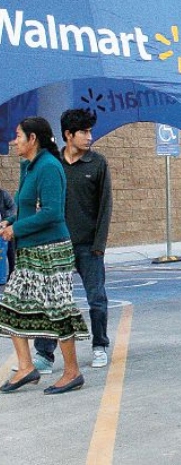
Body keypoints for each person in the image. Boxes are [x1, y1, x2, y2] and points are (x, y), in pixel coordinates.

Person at [0, 117, 89, 394]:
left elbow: (52, 212)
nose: (14, 141)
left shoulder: (49, 167)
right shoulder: (29, 166)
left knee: (59, 309)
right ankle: (26, 367)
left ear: (33, 139)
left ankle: (72, 372)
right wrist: (11, 221)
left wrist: (16, 229)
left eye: (18, 136)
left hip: (51, 251)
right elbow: (27, 208)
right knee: (10, 306)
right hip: (29, 252)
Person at [34, 109, 113, 372]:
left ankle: (99, 345)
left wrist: (99, 245)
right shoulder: (51, 164)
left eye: (90, 131)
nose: (89, 137)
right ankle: (45, 355)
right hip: (57, 245)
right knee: (52, 301)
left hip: (89, 247)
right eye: (84, 132)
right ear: (69, 135)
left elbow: (105, 206)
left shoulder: (97, 163)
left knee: (97, 298)